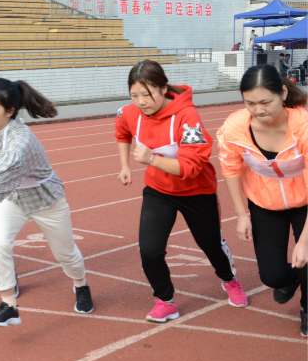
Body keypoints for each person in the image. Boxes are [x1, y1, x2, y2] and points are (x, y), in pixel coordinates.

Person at [115, 60, 247, 323]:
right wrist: (125, 165)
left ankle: (230, 280)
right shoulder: (129, 112)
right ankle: (165, 301)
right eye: (134, 95)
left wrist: (151, 160)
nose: (141, 102)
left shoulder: (187, 117)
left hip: (196, 191)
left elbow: (192, 166)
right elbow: (122, 132)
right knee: (149, 250)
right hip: (159, 190)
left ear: (163, 89)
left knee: (211, 245)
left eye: (147, 94)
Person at [0, 78, 93, 327]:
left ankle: (81, 285)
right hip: (13, 197)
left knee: (65, 253)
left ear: (10, 111)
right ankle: (9, 305)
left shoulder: (20, 142)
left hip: (45, 199)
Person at [217, 65, 308, 337]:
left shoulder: (304, 126)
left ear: (283, 94)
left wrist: (304, 241)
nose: (258, 110)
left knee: (306, 260)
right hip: (264, 204)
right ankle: (291, 279)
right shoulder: (235, 127)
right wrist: (241, 214)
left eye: (265, 102)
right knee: (272, 276)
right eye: (250, 103)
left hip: (305, 202)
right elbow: (230, 169)